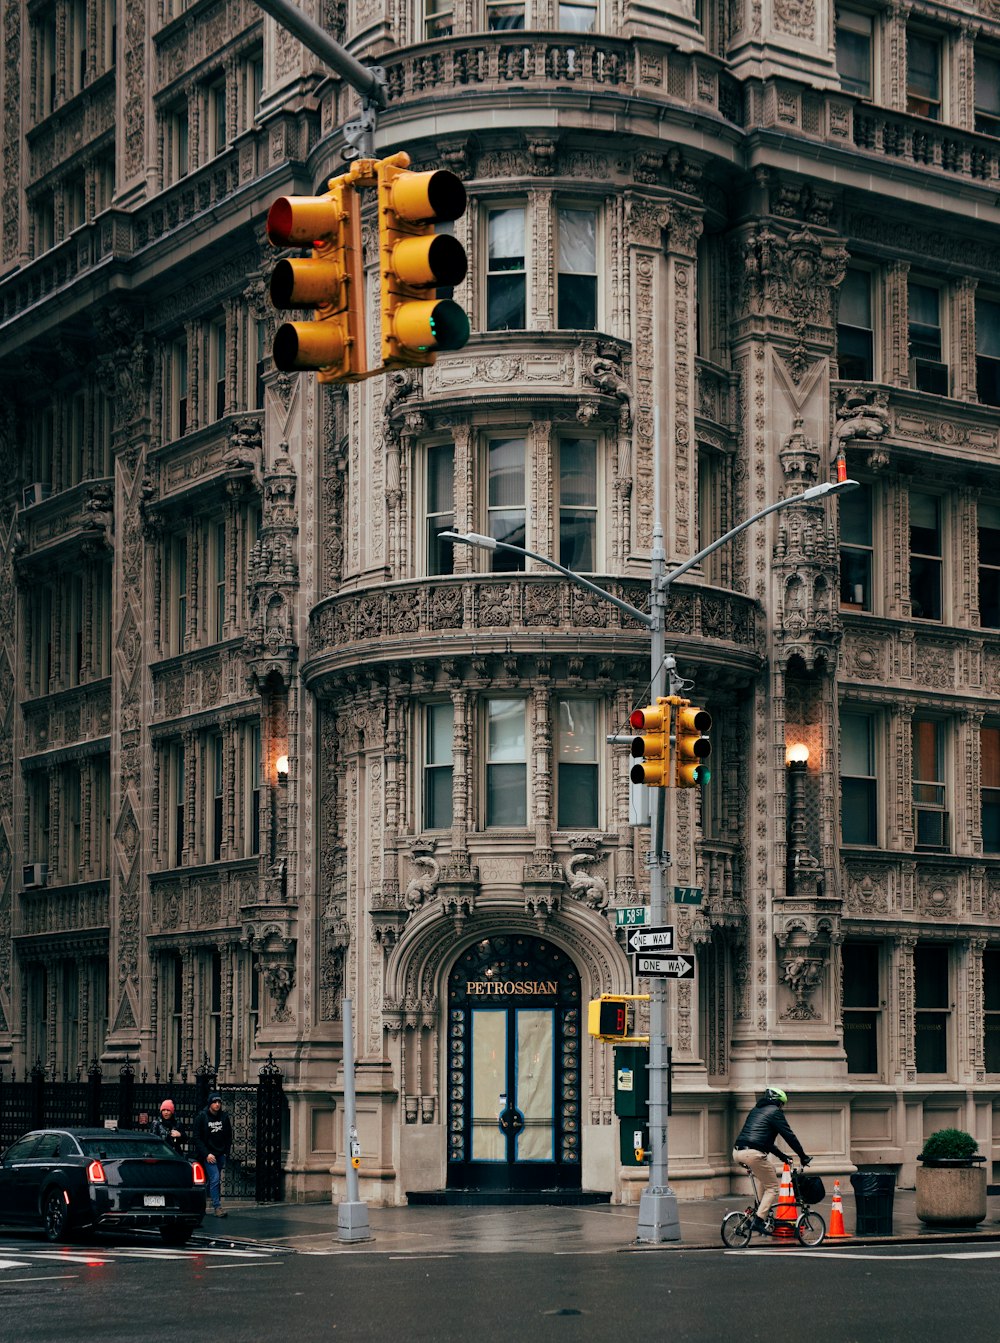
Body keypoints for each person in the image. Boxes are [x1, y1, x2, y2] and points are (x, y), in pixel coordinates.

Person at [732, 1087, 811, 1234]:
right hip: (753, 1154)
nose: (782, 1107)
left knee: (769, 1172)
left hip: (738, 1152)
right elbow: (789, 1136)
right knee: (773, 1187)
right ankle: (759, 1220)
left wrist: (783, 1157)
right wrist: (803, 1156)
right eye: (782, 1104)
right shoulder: (775, 1112)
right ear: (777, 1102)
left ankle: (760, 1206)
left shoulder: (756, 1110)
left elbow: (766, 1142)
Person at [193, 1091, 234, 1217]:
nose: (217, 1105)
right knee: (215, 1178)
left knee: (211, 1181)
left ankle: (198, 1204)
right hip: (209, 1155)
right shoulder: (202, 1117)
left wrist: (226, 1152)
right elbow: (197, 1138)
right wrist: (206, 1154)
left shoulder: (224, 1117)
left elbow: (228, 1136)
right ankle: (217, 1207)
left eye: (219, 1102)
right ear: (210, 1103)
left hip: (220, 1153)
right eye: (214, 1102)